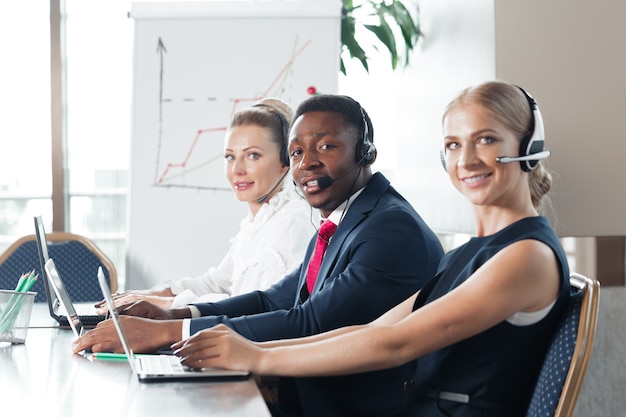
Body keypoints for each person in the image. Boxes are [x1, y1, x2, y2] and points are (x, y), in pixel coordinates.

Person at [169, 81, 571, 417]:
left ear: (529, 147)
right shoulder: (471, 254)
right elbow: (373, 330)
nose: (465, 159)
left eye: (485, 140)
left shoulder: (526, 256)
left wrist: (257, 357)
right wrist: (247, 349)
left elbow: (397, 344)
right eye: (452, 144)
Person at [74, 94, 445, 417]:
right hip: (311, 399)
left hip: (347, 409)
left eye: (326, 146)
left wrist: (166, 333)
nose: (307, 163)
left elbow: (311, 323)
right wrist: (177, 313)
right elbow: (274, 298)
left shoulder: (390, 229)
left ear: (367, 154)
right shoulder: (342, 218)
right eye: (297, 152)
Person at [96, 98, 315, 310]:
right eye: (230, 157)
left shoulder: (291, 224)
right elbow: (215, 283)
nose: (236, 169)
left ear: (287, 161)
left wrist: (166, 305)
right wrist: (145, 296)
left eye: (252, 155)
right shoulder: (258, 222)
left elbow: (256, 309)